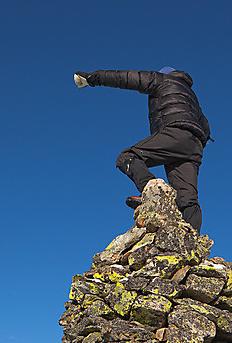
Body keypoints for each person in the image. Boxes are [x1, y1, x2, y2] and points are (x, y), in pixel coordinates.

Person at [73, 67, 211, 233]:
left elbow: (127, 78)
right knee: (188, 200)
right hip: (194, 146)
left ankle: (152, 192)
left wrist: (92, 78)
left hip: (174, 132)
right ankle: (193, 241)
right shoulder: (192, 98)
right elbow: (206, 128)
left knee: (127, 157)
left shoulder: (163, 80)